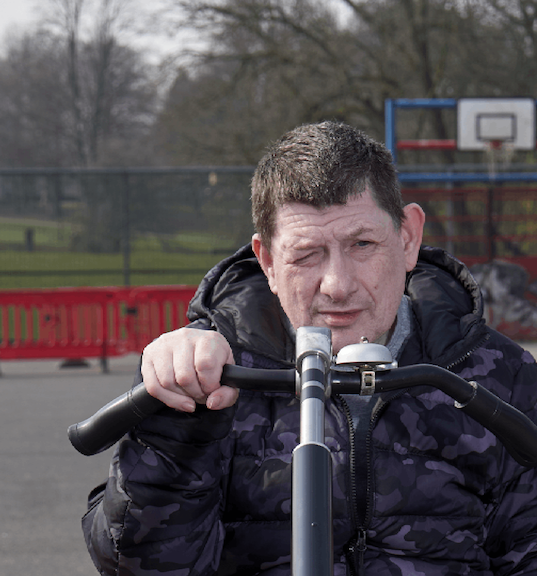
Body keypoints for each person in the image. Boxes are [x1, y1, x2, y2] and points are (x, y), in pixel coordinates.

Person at [82, 121, 537, 575]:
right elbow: (139, 567)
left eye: (363, 244)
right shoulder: (208, 373)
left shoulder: (499, 376)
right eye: (306, 254)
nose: (337, 286)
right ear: (267, 261)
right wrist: (177, 431)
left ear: (408, 238)